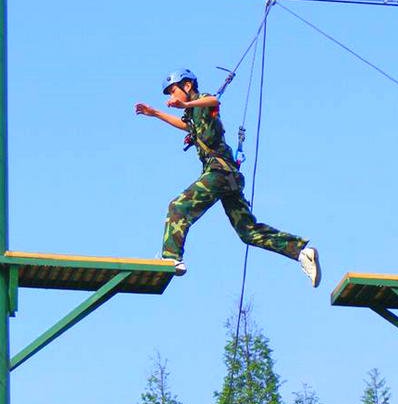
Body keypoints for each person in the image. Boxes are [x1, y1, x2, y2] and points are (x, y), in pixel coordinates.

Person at [135, 68, 321, 287]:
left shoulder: (202, 100)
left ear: (187, 86)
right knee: (248, 231)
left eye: (173, 90)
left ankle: (171, 257)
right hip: (229, 177)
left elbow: (213, 100)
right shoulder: (193, 114)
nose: (171, 97)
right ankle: (301, 252)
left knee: (178, 207)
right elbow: (187, 126)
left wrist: (186, 105)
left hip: (219, 173)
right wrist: (156, 114)